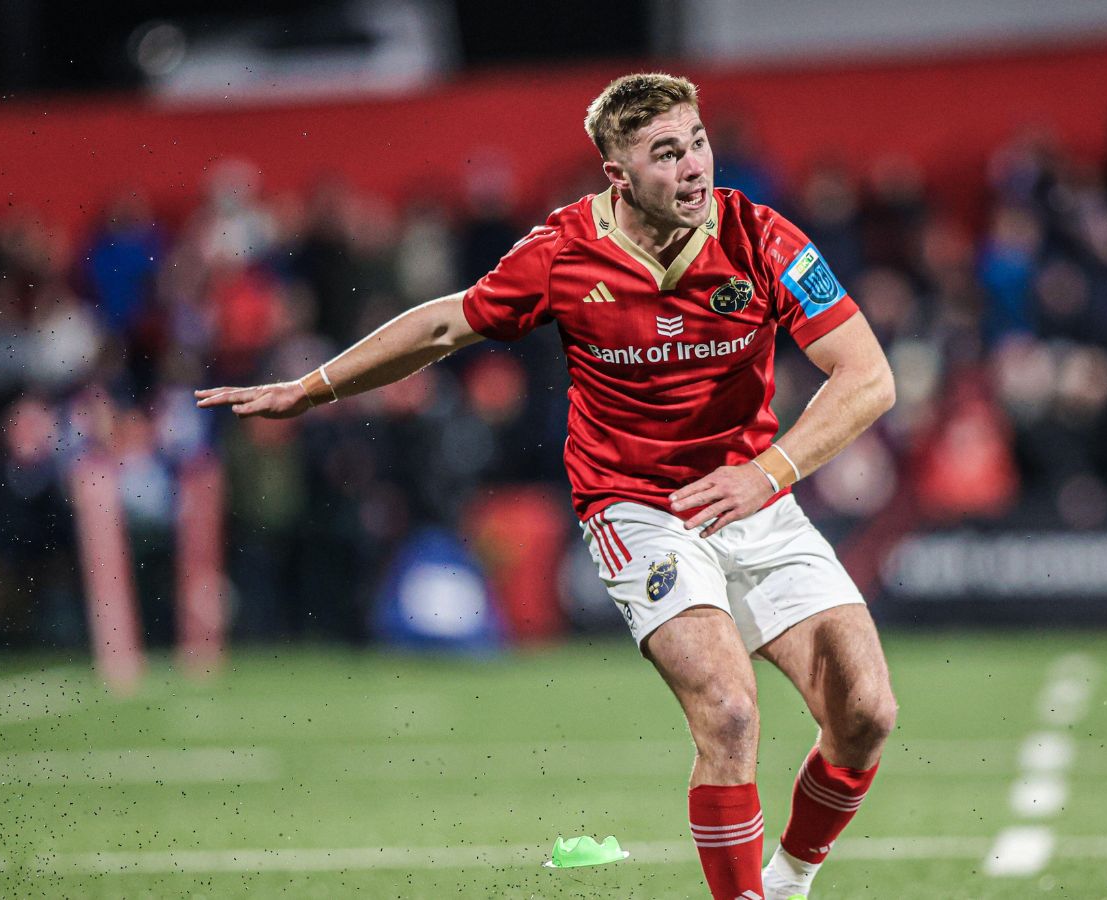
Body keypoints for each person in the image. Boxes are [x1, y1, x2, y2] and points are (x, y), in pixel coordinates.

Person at [197, 73, 897, 900]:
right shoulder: (564, 253)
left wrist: (768, 473)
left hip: (755, 494)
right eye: (665, 154)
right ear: (619, 175)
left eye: (698, 142)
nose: (694, 168)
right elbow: (444, 323)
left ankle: (788, 880)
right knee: (730, 712)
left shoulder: (762, 237)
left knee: (866, 713)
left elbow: (868, 376)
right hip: (638, 507)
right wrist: (310, 388)